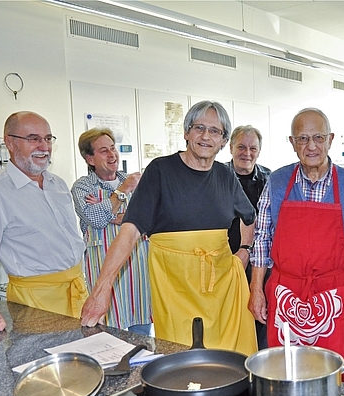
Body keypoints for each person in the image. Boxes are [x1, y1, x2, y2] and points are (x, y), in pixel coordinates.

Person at [80, 101, 258, 356]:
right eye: (199, 128)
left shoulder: (226, 176)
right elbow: (130, 230)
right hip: (175, 289)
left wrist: (244, 250)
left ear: (223, 140)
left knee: (230, 361)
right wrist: (102, 288)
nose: (206, 136)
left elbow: (249, 218)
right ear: (186, 132)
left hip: (224, 289)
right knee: (181, 361)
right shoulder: (160, 171)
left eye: (215, 131)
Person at [249, 107, 344, 385]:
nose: (311, 146)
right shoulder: (276, 182)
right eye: (303, 139)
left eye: (318, 138)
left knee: (336, 376)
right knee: (286, 374)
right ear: (292, 143)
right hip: (286, 296)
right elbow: (261, 240)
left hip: (336, 297)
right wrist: (256, 289)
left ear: (330, 140)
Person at [0, 111, 87, 332]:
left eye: (48, 138)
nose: (44, 146)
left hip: (77, 294)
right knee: (42, 364)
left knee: (81, 362)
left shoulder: (58, 184)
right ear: (10, 143)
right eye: (33, 138)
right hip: (34, 304)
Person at [71, 128, 152, 335]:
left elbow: (151, 218)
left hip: (137, 265)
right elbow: (96, 219)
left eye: (113, 149)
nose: (112, 155)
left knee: (141, 331)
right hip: (101, 265)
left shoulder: (139, 181)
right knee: (105, 332)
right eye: (103, 151)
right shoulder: (82, 187)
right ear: (90, 158)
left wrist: (112, 212)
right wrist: (123, 191)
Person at [226, 125, 271, 349]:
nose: (247, 153)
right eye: (241, 147)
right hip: (225, 261)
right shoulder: (218, 176)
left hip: (260, 264)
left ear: (259, 150)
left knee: (259, 319)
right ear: (231, 148)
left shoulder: (269, 180)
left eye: (253, 148)